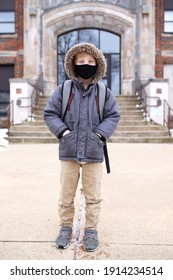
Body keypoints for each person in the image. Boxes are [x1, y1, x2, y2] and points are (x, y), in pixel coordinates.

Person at [43, 43, 120, 252]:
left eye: (90, 61)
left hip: (94, 153)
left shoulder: (104, 92)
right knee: (66, 195)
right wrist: (64, 133)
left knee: (93, 196)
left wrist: (99, 135)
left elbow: (113, 116)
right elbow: (50, 113)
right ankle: (65, 228)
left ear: (98, 64)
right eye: (81, 61)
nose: (85, 65)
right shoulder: (64, 89)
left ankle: (91, 230)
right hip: (68, 152)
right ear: (73, 64)